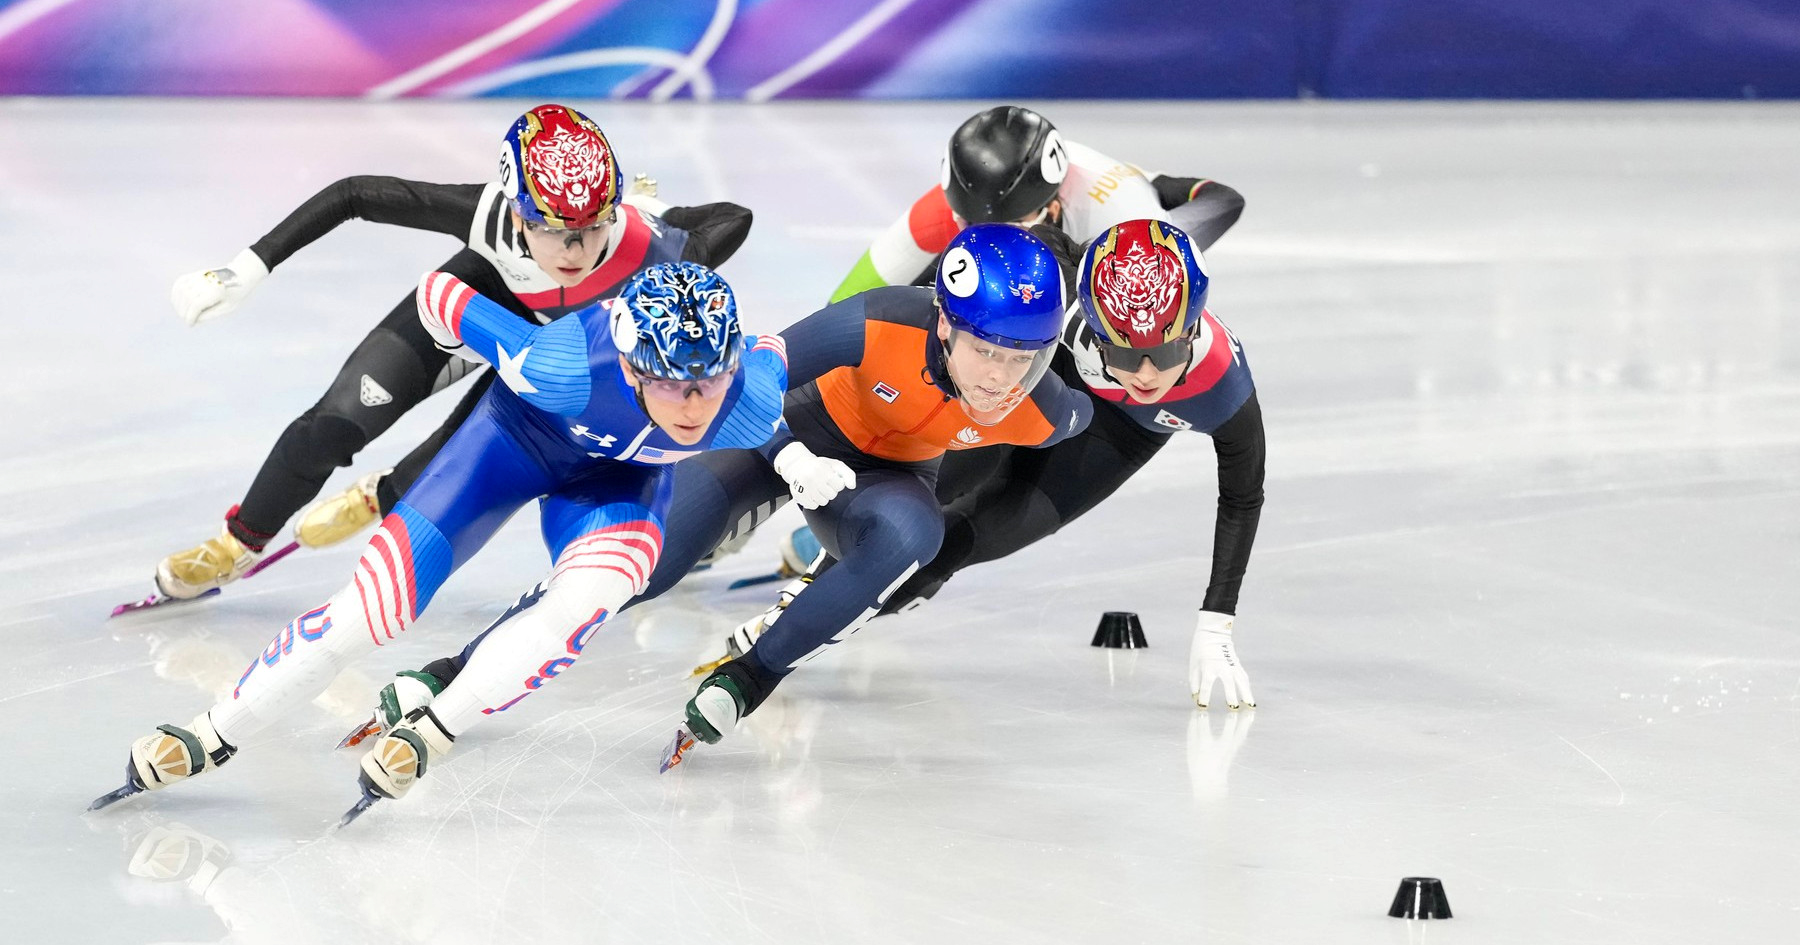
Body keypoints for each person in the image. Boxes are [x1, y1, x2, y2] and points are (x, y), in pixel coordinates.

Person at [340, 224, 1097, 767]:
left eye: (1024, 361)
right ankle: (456, 667)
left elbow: (1100, 408)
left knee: (914, 535)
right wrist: (790, 454)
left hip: (882, 482)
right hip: (782, 428)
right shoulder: (878, 322)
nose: (1000, 379)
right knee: (648, 563)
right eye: (986, 351)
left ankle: (755, 673)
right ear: (944, 323)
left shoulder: (1044, 409)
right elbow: (744, 376)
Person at [92, 260, 803, 816]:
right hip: (511, 445)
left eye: (710, 382)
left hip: (618, 485)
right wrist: (436, 341)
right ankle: (213, 731)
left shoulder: (750, 400)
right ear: (627, 365)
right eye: (672, 385)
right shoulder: (560, 365)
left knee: (596, 595)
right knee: (373, 611)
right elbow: (441, 295)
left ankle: (435, 730)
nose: (693, 405)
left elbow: (773, 349)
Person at [152, 103, 754, 602]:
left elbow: (735, 216)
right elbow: (352, 194)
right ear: (514, 209)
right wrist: (246, 268)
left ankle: (381, 494)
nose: (573, 250)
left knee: (441, 467)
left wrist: (657, 216)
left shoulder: (650, 244)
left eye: (591, 227)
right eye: (549, 228)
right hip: (468, 303)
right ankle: (236, 544)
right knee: (331, 427)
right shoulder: (484, 213)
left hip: (545, 347)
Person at [727, 219, 1265, 710]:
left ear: (1193, 331)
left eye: (1165, 355)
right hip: (1026, 392)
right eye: (1122, 354)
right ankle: (809, 577)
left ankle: (807, 617)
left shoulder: (1223, 387)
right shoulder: (1062, 304)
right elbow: (950, 306)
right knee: (934, 485)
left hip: (1117, 437)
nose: (1144, 376)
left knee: (957, 546)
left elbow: (1242, 497)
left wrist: (1216, 622)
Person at [830, 104, 1243, 302]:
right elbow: (838, 310)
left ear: (1054, 208)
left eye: (1010, 226)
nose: (985, 240)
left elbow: (1225, 203)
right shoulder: (943, 211)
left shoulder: (1118, 222)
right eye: (969, 224)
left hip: (1098, 235)